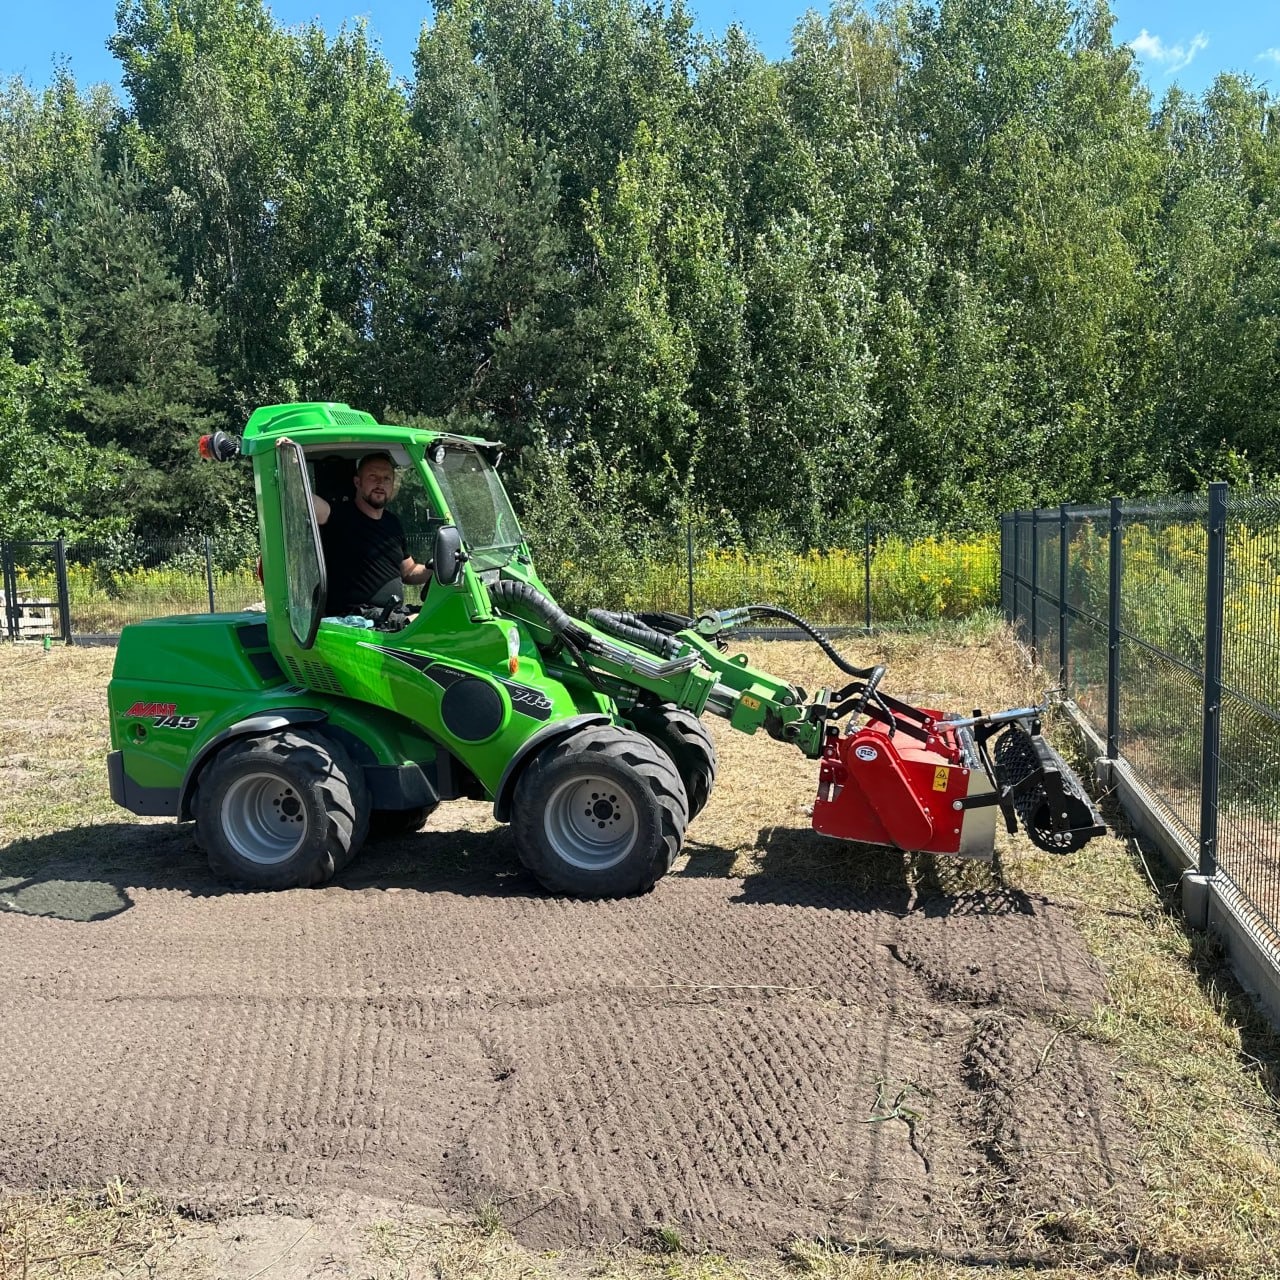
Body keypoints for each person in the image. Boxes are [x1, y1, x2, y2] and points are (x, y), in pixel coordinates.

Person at [313, 451, 432, 616]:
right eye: (372, 476)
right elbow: (305, 500)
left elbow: (408, 571)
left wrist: (436, 568)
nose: (380, 483)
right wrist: (288, 462)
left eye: (386, 478)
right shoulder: (339, 516)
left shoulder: (393, 523)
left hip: (391, 614)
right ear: (357, 482)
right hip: (356, 618)